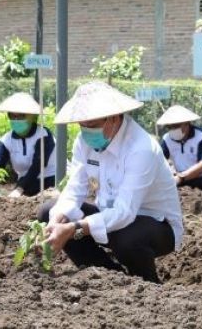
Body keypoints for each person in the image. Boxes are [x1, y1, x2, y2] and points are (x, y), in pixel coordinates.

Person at [38, 81, 183, 283]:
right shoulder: (84, 141)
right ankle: (108, 277)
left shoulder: (141, 148)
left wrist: (73, 229)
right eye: (82, 125)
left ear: (113, 119)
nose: (86, 131)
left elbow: (125, 212)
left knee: (126, 238)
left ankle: (148, 283)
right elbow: (74, 189)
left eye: (92, 125)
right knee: (49, 212)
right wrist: (57, 221)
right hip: (111, 216)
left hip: (157, 225)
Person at [0, 92, 56, 197]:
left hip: (51, 180)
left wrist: (20, 188)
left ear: (33, 117)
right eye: (12, 115)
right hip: (27, 182)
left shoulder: (43, 135)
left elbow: (38, 166)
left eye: (21, 116)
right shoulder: (7, 139)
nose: (16, 119)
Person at [157, 105, 202, 192]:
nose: (173, 129)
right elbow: (159, 160)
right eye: (169, 127)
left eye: (176, 126)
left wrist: (181, 178)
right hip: (183, 178)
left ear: (187, 123)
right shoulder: (167, 139)